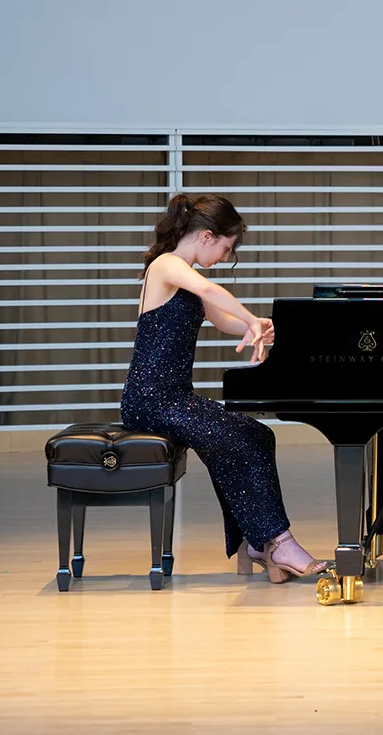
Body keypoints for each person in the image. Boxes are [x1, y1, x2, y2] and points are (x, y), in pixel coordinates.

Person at [120, 193, 330, 584]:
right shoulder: (167, 265)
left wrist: (259, 326)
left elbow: (221, 320)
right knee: (232, 436)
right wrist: (249, 316)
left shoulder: (188, 279)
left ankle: (257, 541)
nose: (224, 257)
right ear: (206, 236)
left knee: (256, 433)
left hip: (173, 397)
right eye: (225, 248)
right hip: (150, 399)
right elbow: (217, 296)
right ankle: (276, 542)